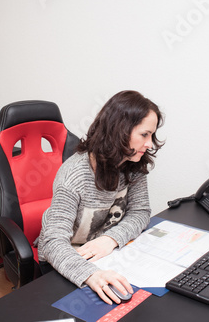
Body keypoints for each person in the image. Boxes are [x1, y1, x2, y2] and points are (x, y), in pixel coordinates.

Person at [37, 90, 164, 305]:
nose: (150, 143)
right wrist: (91, 275)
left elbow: (140, 212)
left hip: (108, 253)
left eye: (151, 135)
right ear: (120, 131)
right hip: (69, 258)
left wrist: (110, 239)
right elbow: (51, 242)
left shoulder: (133, 164)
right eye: (144, 135)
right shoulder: (74, 176)